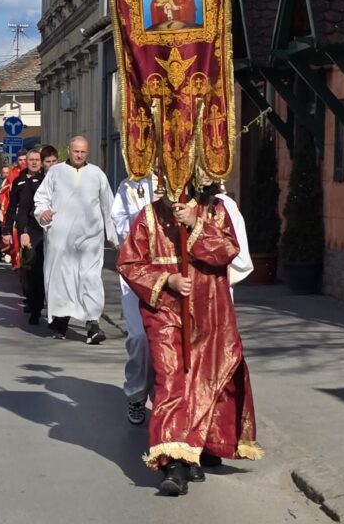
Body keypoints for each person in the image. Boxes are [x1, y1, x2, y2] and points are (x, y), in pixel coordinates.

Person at [116, 176, 263, 496]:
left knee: (204, 382)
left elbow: (227, 250)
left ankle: (198, 449)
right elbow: (129, 262)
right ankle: (173, 464)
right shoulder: (150, 216)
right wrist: (166, 279)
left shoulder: (218, 211)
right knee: (170, 380)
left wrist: (196, 223)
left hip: (209, 312)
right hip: (165, 314)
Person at [34, 136, 115, 343]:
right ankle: (61, 322)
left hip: (89, 240)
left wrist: (115, 237)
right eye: (76, 151)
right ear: (69, 150)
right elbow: (41, 198)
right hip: (61, 240)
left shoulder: (97, 174)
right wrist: (42, 213)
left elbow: (108, 207)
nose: (79, 155)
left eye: (83, 152)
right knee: (63, 282)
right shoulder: (56, 172)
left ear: (88, 153)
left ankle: (93, 324)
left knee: (90, 280)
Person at [110, 173, 156, 425]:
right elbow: (118, 220)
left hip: (169, 271)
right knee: (139, 336)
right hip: (137, 267)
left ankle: (165, 401)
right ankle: (137, 395)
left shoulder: (178, 183)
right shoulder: (128, 186)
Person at [7, 148, 52, 324]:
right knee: (29, 269)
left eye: (37, 160)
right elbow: (14, 208)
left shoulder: (47, 180)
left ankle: (43, 307)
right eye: (30, 160)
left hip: (47, 229)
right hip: (29, 230)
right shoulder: (19, 181)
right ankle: (33, 306)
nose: (33, 162)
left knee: (45, 271)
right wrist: (7, 231)